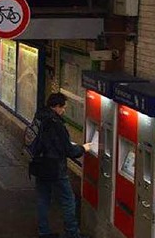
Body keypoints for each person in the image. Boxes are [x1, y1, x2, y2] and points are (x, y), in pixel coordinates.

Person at [32, 92, 92, 238]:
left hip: (40, 165)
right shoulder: (56, 124)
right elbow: (68, 150)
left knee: (43, 199)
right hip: (56, 168)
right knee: (68, 200)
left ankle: (44, 232)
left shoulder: (40, 117)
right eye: (63, 107)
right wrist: (84, 148)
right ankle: (72, 233)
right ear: (57, 107)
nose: (64, 110)